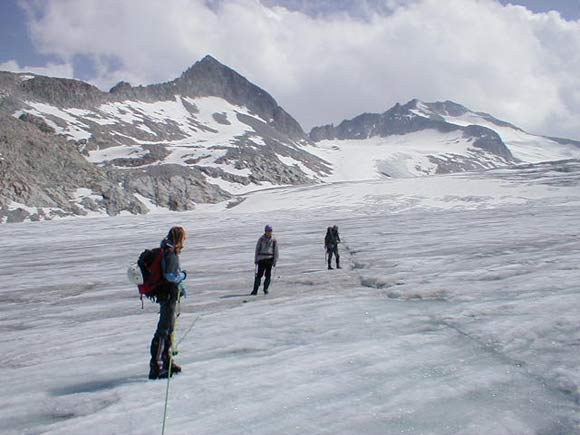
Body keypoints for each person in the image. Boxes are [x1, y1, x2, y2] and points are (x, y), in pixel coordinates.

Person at [149, 226, 187, 380]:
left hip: (167, 294)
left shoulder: (167, 250)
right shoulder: (170, 253)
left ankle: (166, 361)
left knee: (169, 329)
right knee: (164, 330)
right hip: (168, 294)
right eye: (184, 237)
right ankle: (156, 367)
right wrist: (182, 276)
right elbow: (171, 276)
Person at [252, 224, 279, 295]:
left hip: (269, 260)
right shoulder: (261, 239)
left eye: (270, 231)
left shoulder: (274, 240)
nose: (269, 232)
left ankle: (265, 289)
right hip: (261, 260)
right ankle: (255, 290)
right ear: (265, 231)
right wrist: (256, 259)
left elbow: (276, 251)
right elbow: (257, 249)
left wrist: (275, 260)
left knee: (268, 275)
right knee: (259, 275)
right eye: (267, 231)